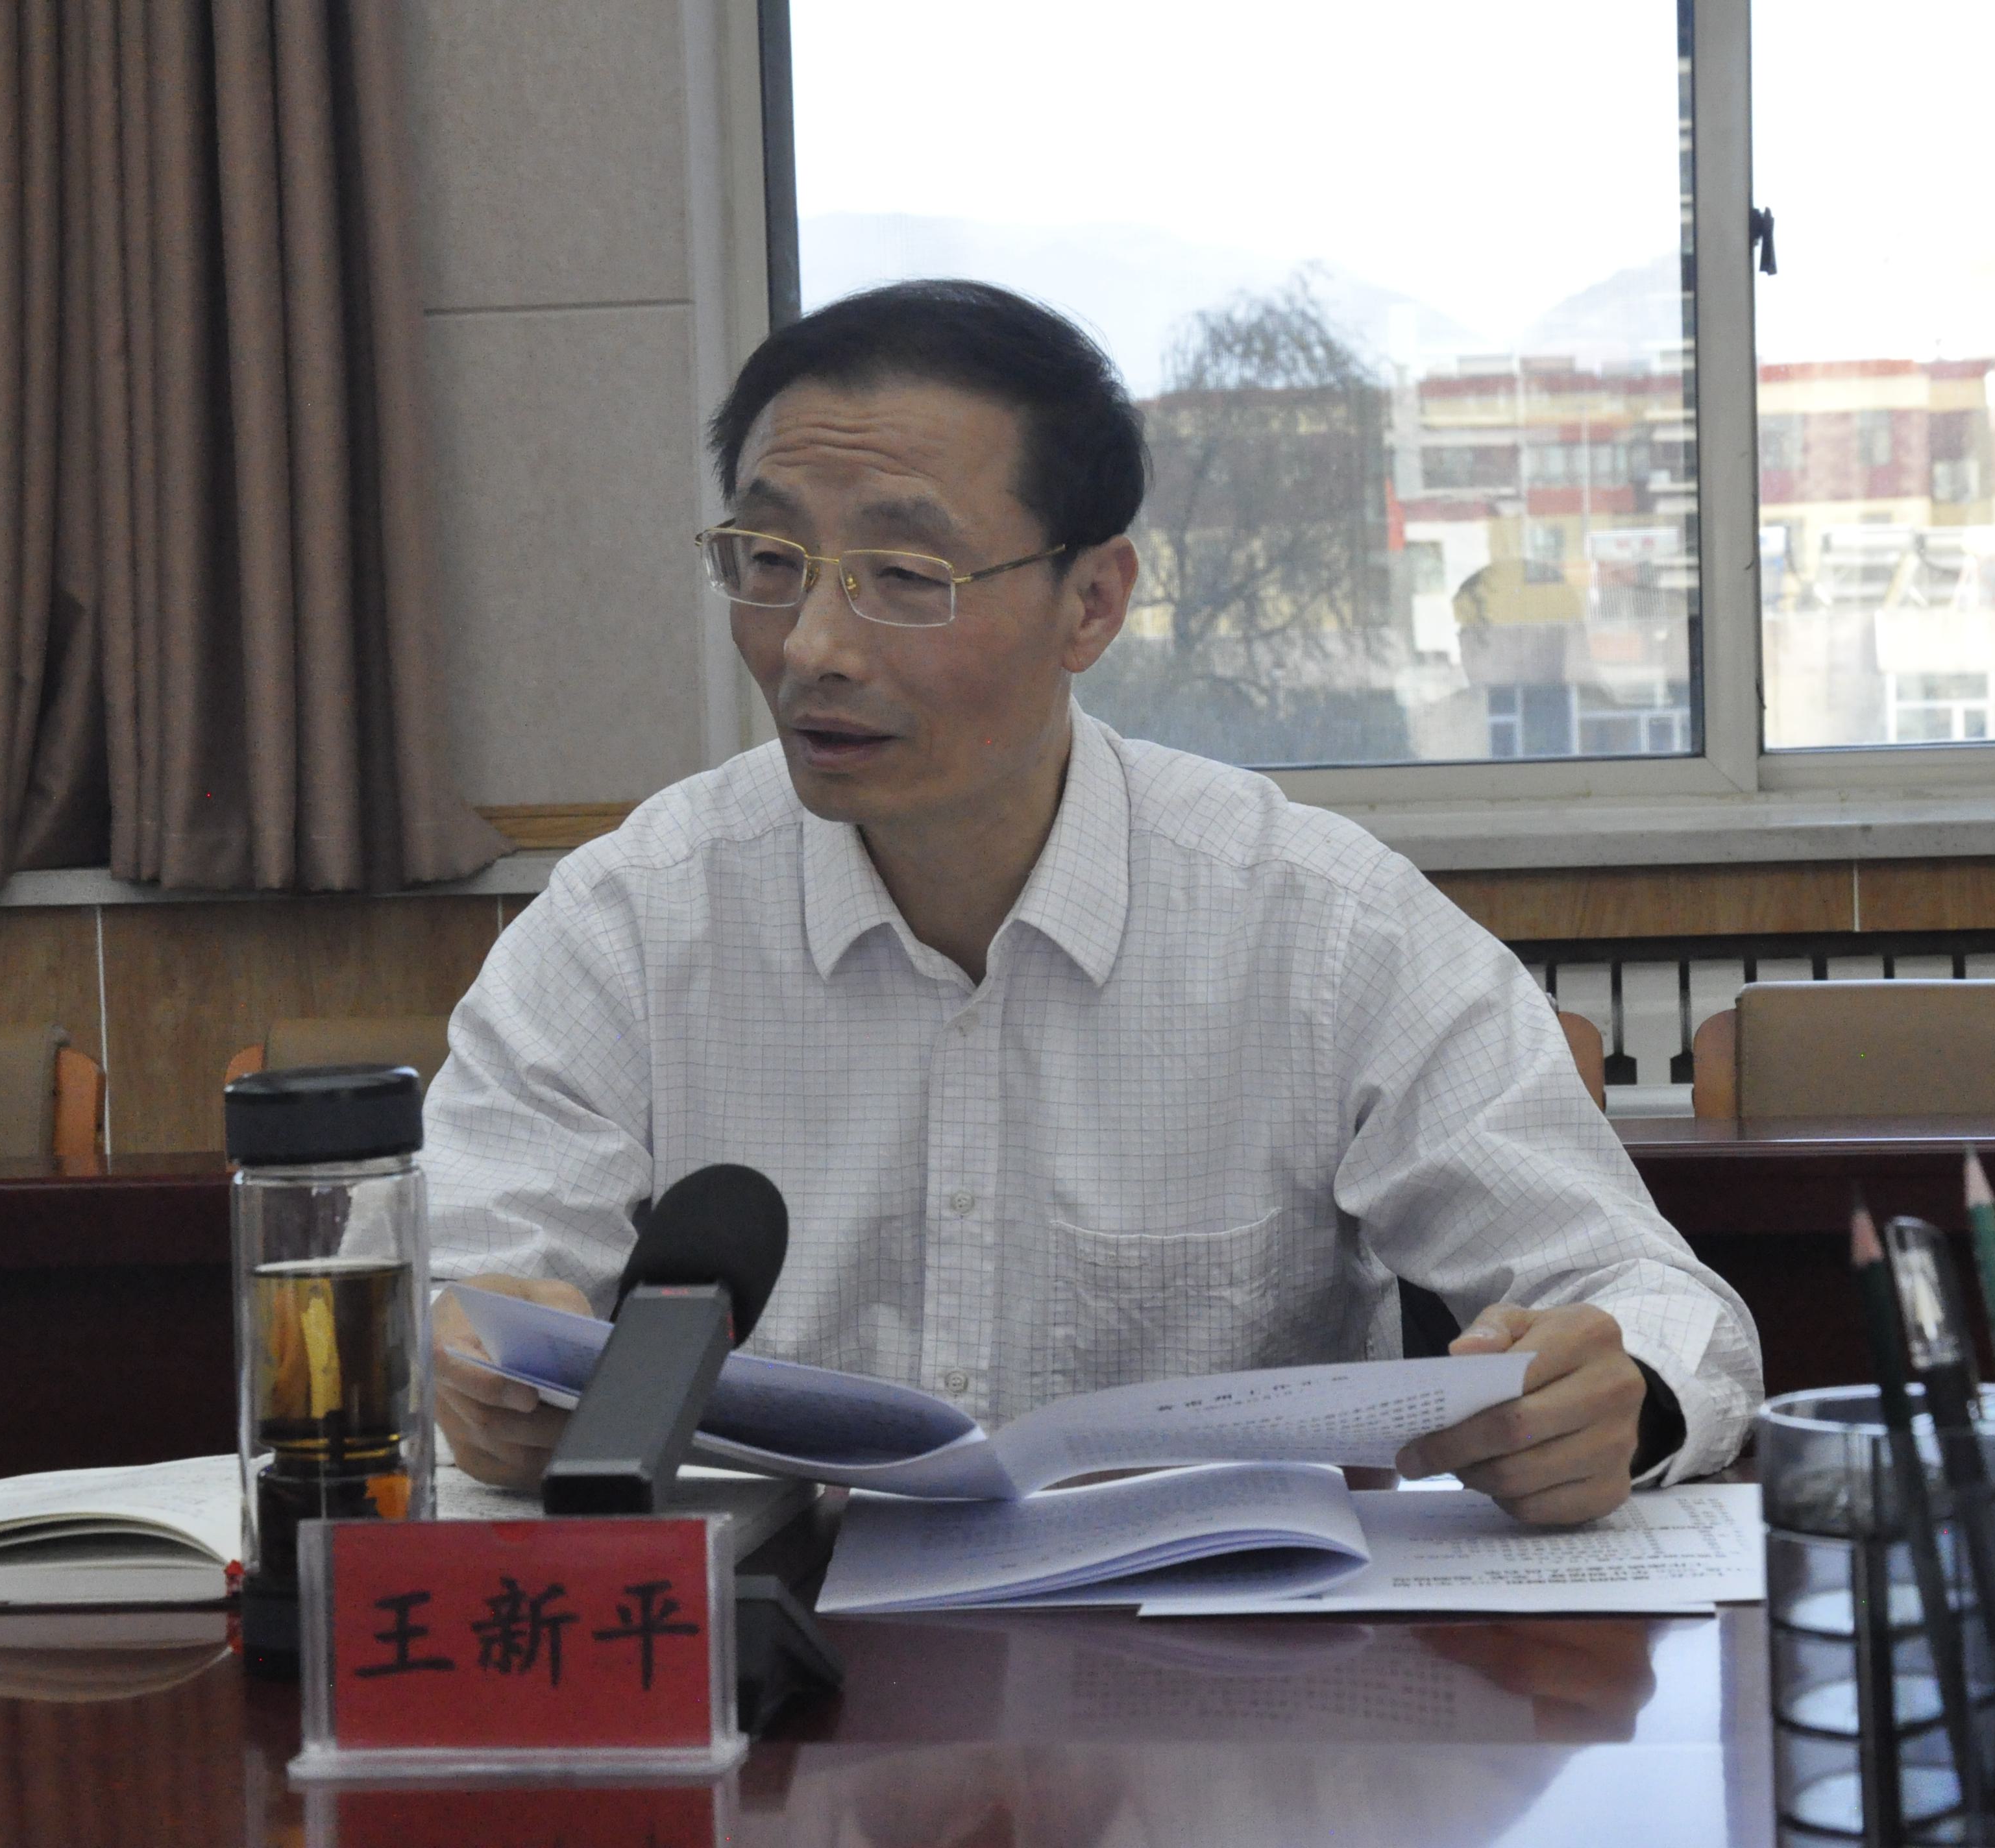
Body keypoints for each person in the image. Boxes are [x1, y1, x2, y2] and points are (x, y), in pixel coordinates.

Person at [421, 280, 1761, 1525]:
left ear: (1093, 602)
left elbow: (1649, 1299)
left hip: (1213, 1664)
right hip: (769, 1649)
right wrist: (470, 1372)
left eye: (905, 577)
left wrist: (1620, 1395)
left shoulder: (1318, 924)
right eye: (769, 560)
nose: (812, 645)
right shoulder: (627, 924)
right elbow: (460, 1293)